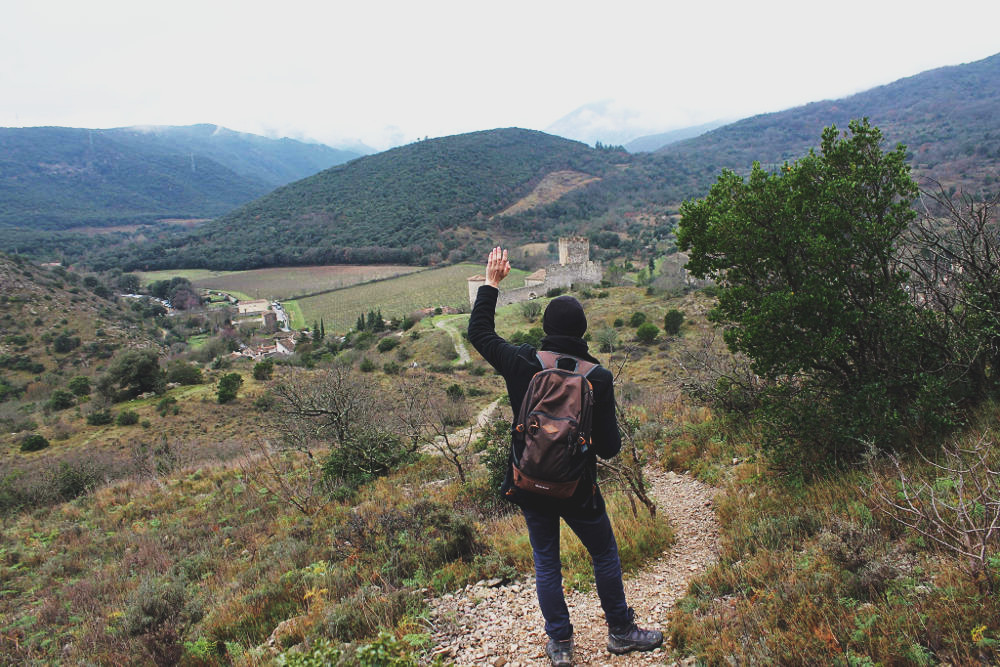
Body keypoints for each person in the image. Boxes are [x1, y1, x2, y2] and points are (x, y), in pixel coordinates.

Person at [467, 247, 663, 666]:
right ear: (583, 331)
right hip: (577, 490)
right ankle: (621, 632)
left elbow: (479, 333)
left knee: (546, 563)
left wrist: (491, 283)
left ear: (545, 327)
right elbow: (609, 448)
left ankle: (560, 644)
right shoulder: (598, 378)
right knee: (604, 554)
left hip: (528, 482)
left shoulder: (522, 361)